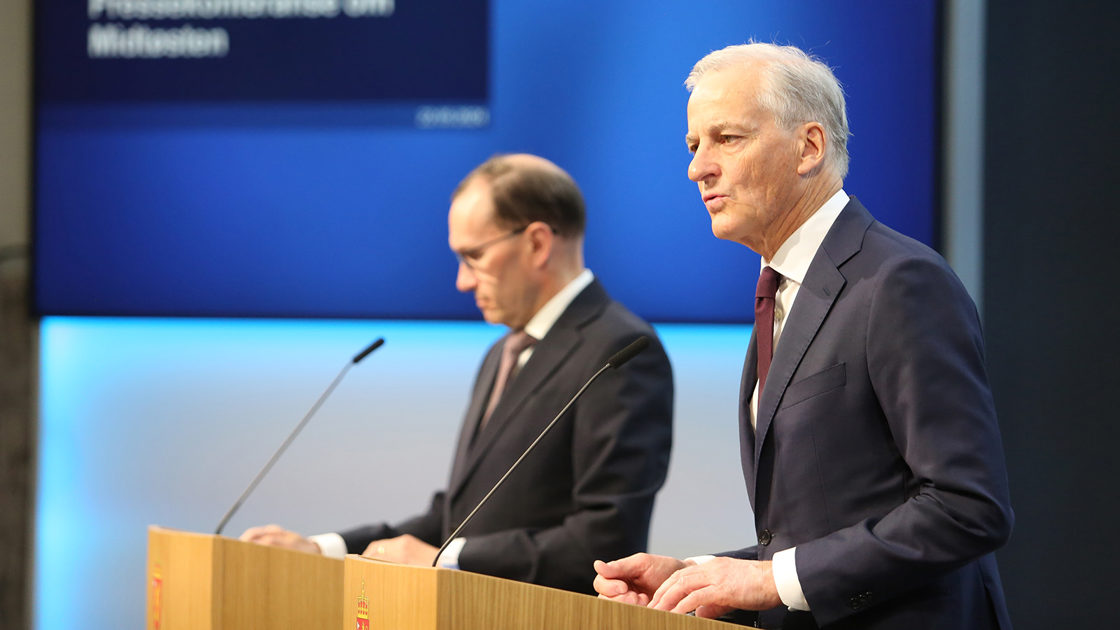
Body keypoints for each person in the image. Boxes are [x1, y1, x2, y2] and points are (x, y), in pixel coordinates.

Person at [593, 43, 1013, 629]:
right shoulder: (783, 289)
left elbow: (967, 507)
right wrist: (703, 576)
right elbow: (817, 531)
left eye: (727, 139)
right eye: (693, 146)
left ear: (809, 147)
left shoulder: (897, 281)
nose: (698, 168)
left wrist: (769, 581)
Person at [242, 153, 673, 594]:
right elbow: (458, 518)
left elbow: (605, 541)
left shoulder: (620, 350)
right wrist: (323, 550)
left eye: (474, 256)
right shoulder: (501, 354)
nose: (462, 282)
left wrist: (446, 560)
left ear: (537, 244)